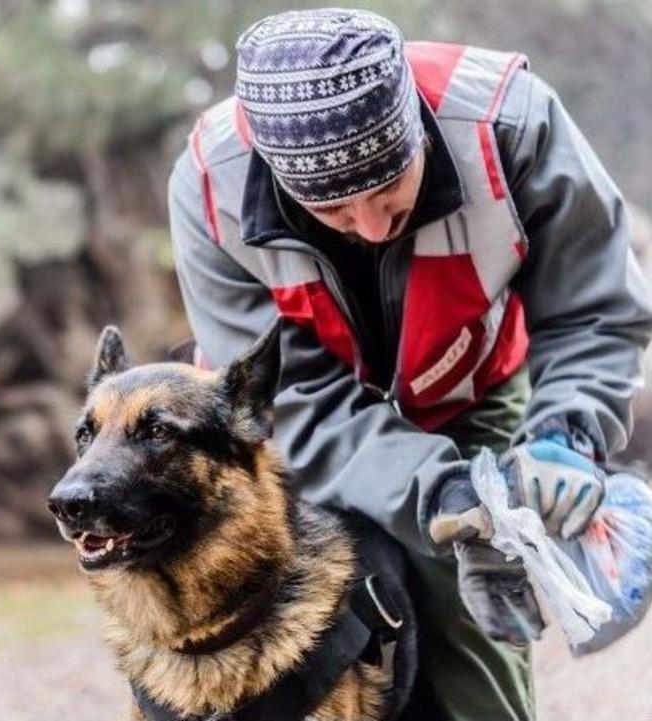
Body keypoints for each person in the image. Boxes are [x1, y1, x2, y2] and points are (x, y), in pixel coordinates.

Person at [168, 8, 652, 721]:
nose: (371, 226)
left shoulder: (510, 126)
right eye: (335, 208)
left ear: (418, 130)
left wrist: (568, 432)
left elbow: (592, 307)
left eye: (391, 186)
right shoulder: (211, 187)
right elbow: (293, 397)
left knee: (470, 621)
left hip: (470, 383)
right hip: (301, 423)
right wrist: (437, 493)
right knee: (290, 631)